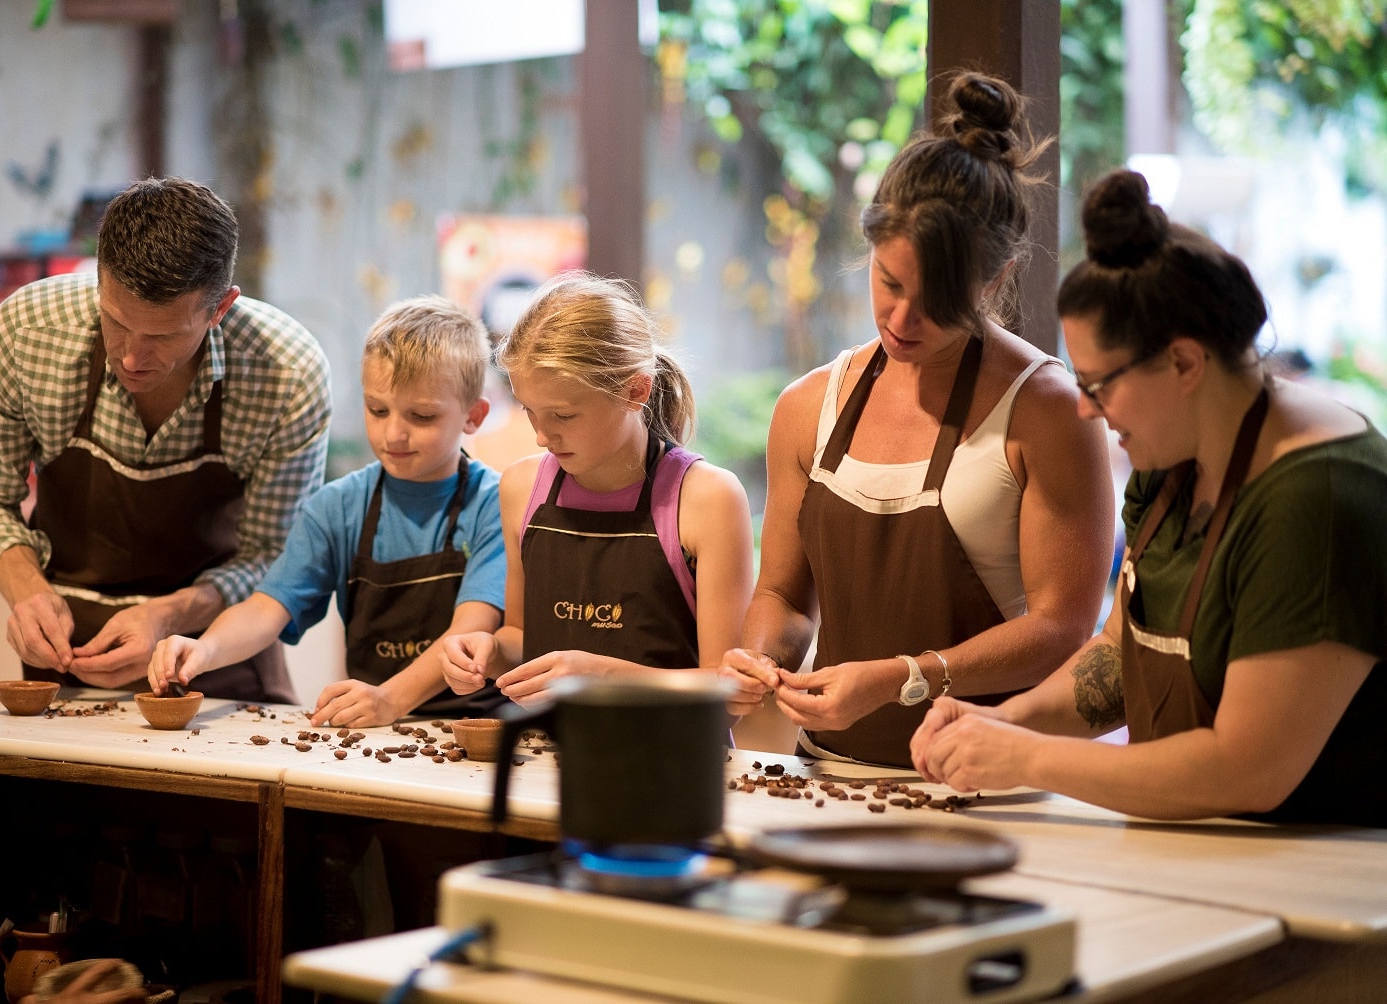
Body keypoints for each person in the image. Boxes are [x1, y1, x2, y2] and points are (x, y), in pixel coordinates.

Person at [910, 169, 1387, 828]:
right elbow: (1120, 650)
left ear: (1185, 364)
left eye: (1097, 383)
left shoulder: (1319, 497)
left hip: (1325, 880)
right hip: (1203, 851)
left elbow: (1249, 768)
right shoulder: (1173, 458)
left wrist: (1026, 758)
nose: (1084, 409)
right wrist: (997, 723)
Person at [718, 72, 1114, 767]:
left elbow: (1063, 626)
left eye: (934, 300)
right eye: (889, 283)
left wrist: (906, 678)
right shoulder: (809, 406)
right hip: (827, 776)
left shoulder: (1047, 410)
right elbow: (782, 591)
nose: (901, 319)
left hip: (992, 780)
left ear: (995, 280)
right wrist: (755, 660)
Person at [0, 177, 331, 703]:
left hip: (213, 660)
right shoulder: (24, 334)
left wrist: (166, 616)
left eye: (164, 336)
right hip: (66, 653)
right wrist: (27, 593)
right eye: (116, 321)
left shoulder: (286, 373)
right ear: (99, 279)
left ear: (220, 309)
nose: (131, 357)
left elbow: (274, 555)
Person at [147, 295, 507, 727]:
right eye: (377, 409)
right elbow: (266, 609)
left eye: (422, 416)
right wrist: (204, 649)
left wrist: (390, 700)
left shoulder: (496, 504)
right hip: (373, 731)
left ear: (474, 415)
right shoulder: (338, 507)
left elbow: (468, 632)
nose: (394, 432)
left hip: (477, 734)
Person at [441, 272, 754, 703]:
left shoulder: (708, 499)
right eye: (530, 411)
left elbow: (733, 690)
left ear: (635, 391)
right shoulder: (521, 487)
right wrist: (489, 650)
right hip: (546, 754)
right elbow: (520, 637)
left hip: (675, 760)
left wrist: (602, 675)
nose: (542, 436)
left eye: (564, 416)